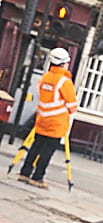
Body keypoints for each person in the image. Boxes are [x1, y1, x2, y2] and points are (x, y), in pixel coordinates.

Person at [17, 47, 77, 189]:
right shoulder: (65, 82)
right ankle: (37, 177)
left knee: (35, 147)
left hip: (41, 119)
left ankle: (24, 173)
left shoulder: (45, 78)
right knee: (46, 151)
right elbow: (73, 105)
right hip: (56, 123)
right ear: (63, 64)